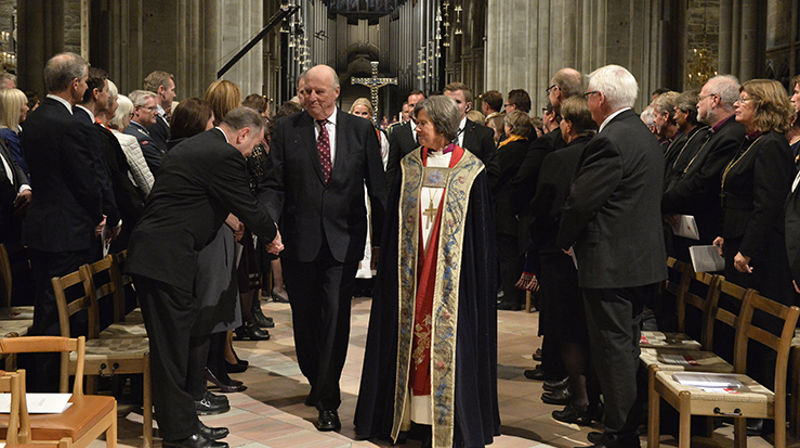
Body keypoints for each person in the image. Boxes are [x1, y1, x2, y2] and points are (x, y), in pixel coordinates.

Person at [127, 107, 282, 448]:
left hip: (162, 256)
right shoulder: (223, 155)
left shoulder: (195, 145)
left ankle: (186, 422)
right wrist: (272, 235)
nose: (251, 152)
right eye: (254, 145)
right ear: (243, 134)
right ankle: (180, 435)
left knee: (177, 345)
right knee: (171, 350)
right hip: (164, 258)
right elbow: (246, 204)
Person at [354, 95, 500, 448]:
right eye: (417, 123)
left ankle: (447, 421)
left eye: (423, 124)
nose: (417, 129)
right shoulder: (408, 167)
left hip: (452, 282)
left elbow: (479, 239)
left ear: (443, 127)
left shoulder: (471, 170)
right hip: (410, 275)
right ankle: (405, 418)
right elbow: (393, 223)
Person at [263, 64, 386, 432]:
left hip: (343, 240)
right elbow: (274, 185)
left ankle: (328, 399)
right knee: (304, 320)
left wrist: (382, 241)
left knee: (335, 316)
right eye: (306, 92)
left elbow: (377, 188)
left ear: (336, 93)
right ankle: (316, 379)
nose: (311, 98)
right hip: (299, 241)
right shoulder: (287, 130)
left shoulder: (360, 130)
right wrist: (268, 224)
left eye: (318, 92)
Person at [556, 64, 666, 448]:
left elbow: (581, 201)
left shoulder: (611, 140)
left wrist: (566, 240)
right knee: (625, 344)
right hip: (640, 261)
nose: (588, 102)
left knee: (613, 348)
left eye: (589, 95)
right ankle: (623, 423)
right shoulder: (643, 133)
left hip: (612, 263)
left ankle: (621, 433)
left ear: (599, 98)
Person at [20, 52, 103, 390]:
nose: (85, 86)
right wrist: (98, 214)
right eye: (84, 81)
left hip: (42, 227)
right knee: (62, 312)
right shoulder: (70, 125)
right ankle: (51, 387)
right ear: (75, 84)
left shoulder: (34, 119)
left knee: (46, 307)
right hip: (68, 230)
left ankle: (43, 384)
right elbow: (85, 180)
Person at [529, 96, 600, 424]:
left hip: (558, 251)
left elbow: (543, 205)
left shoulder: (558, 158)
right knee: (588, 325)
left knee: (567, 326)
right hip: (594, 250)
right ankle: (589, 395)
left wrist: (541, 238)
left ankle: (579, 397)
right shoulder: (603, 152)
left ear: (568, 125)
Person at [713, 79, 795, 306]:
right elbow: (739, 197)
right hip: (738, 240)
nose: (736, 105)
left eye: (743, 100)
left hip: (759, 253)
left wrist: (748, 249)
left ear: (763, 105)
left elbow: (768, 205)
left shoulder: (771, 145)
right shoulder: (752, 142)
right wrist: (727, 234)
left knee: (751, 315)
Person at [487, 110, 531, 311]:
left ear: (510, 128)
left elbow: (496, 175)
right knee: (513, 253)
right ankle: (515, 296)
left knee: (507, 255)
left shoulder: (507, 150)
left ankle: (511, 298)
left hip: (505, 207)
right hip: (519, 207)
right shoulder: (528, 147)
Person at [349, 97, 389, 280]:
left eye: (364, 113)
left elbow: (383, 163)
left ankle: (368, 271)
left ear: (371, 116)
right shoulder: (344, 133)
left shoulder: (379, 136)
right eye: (357, 113)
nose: (360, 116)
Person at [109, 94, 155, 196]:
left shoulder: (98, 134)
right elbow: (146, 181)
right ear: (123, 116)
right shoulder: (128, 141)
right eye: (130, 115)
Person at [386, 90, 426, 186]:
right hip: (405, 187)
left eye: (419, 105)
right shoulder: (398, 132)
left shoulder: (435, 131)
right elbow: (392, 168)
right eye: (412, 105)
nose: (415, 109)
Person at [125, 89, 167, 175]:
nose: (156, 112)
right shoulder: (140, 138)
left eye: (156, 108)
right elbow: (160, 167)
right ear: (136, 110)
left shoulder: (130, 129)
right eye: (151, 108)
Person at [0, 88, 30, 178]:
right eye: (25, 105)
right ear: (14, 108)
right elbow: (21, 167)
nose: (28, 108)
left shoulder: (17, 130)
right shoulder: (7, 136)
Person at [143, 70, 176, 149]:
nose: (174, 95)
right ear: (161, 90)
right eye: (172, 90)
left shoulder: (162, 116)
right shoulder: (152, 119)